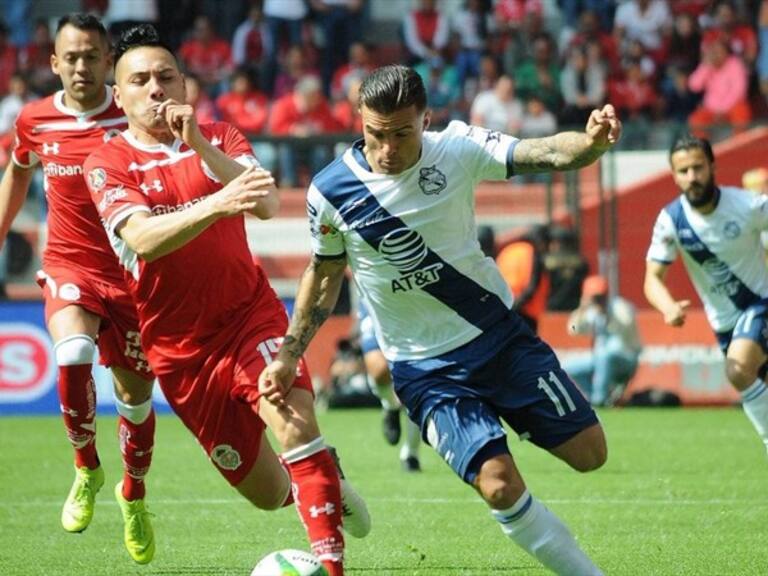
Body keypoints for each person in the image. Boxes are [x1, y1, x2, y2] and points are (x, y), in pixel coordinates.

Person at [260, 64, 620, 575]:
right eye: (375, 134)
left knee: (590, 453)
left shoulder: (457, 148)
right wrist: (287, 357)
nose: (388, 149)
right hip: (425, 369)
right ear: (359, 122)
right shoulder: (331, 191)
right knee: (499, 483)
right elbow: (323, 275)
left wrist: (590, 145)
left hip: (499, 338)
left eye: (402, 134)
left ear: (425, 120)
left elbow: (541, 152)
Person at [83, 25, 369, 576]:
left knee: (291, 417)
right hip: (181, 348)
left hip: (247, 315)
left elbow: (263, 204)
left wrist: (199, 146)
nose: (155, 88)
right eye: (139, 80)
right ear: (118, 95)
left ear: (185, 84)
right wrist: (217, 206)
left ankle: (332, 565)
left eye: (166, 76)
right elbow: (143, 237)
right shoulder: (108, 163)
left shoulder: (219, 135)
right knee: (264, 491)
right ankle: (324, 479)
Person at [0, 14, 157, 564]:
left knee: (136, 403)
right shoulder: (34, 120)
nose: (82, 67)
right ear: (54, 62)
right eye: (71, 57)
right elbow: (17, 170)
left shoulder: (135, 112)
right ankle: (86, 466)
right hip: (70, 266)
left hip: (134, 277)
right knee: (72, 352)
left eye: (92, 56)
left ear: (108, 60)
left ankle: (133, 496)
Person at [645, 134, 768, 455]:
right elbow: (652, 279)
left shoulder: (747, 205)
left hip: (759, 304)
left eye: (698, 168)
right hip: (724, 325)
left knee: (737, 369)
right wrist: (668, 306)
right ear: (673, 175)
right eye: (683, 171)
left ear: (712, 166)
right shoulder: (670, 220)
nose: (692, 177)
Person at [358, 299, 422, 472]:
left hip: (411, 301)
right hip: (375, 298)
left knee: (414, 379)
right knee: (378, 369)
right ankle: (390, 404)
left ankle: (410, 453)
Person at [563, 275, 642, 406]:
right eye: (594, 297)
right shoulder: (591, 312)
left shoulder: (619, 306)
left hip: (625, 358)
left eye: (600, 297)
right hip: (601, 360)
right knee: (568, 367)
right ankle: (593, 397)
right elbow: (573, 329)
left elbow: (627, 323)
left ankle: (600, 400)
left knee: (604, 355)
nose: (598, 300)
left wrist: (606, 312)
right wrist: (582, 309)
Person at [496, 225, 551, 333]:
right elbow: (533, 285)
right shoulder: (533, 253)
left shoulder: (508, 250)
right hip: (524, 310)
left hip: (503, 306)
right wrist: (516, 306)